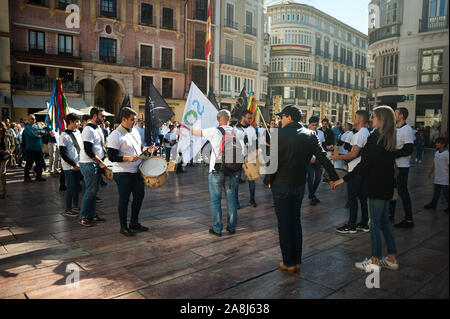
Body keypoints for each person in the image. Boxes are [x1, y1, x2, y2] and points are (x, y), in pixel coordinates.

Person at [267, 105, 339, 273]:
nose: (280, 120)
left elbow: (272, 163)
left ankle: (288, 262)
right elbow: (322, 157)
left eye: (282, 117)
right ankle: (297, 261)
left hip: (281, 185)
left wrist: (267, 180)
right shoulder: (310, 134)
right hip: (299, 184)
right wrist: (335, 178)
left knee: (284, 224)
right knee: (296, 222)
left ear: (289, 117)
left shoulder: (278, 134)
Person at [332, 106, 399, 272]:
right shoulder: (389, 137)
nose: (372, 120)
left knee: (374, 223)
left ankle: (375, 260)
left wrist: (343, 179)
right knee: (383, 222)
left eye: (375, 117)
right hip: (386, 186)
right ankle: (391, 258)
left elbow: (364, 165)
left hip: (375, 185)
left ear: (381, 120)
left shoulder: (376, 137)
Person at [192, 109, 245, 237]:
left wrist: (193, 124)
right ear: (229, 119)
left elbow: (194, 132)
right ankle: (231, 227)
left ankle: (217, 229)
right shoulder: (237, 132)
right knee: (231, 199)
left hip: (217, 166)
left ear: (218, 119)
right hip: (232, 168)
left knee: (216, 200)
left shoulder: (214, 131)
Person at [108, 107, 156, 237]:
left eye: (135, 119)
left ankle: (134, 222)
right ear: (124, 119)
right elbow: (111, 156)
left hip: (136, 171)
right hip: (123, 173)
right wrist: (127, 158)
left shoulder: (134, 131)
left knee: (139, 197)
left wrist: (147, 149)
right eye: (132, 119)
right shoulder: (115, 135)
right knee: (124, 200)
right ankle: (123, 227)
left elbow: (138, 148)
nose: (135, 122)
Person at [331, 110, 371, 234]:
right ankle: (364, 223)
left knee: (352, 198)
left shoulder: (359, 134)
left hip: (356, 170)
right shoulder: (365, 132)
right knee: (362, 197)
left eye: (355, 117)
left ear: (360, 118)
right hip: (361, 170)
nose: (353, 119)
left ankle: (351, 224)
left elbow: (354, 153)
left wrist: (337, 157)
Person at [78, 107, 107, 227]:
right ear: (94, 116)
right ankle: (83, 216)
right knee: (90, 191)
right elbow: (88, 150)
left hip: (96, 163)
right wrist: (100, 162)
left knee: (94, 191)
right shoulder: (88, 130)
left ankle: (92, 214)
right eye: (102, 116)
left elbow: (100, 146)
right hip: (89, 164)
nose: (104, 118)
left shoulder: (98, 128)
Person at [390, 108, 415, 228]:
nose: (394, 115)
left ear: (401, 116)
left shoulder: (407, 129)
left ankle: (409, 219)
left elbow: (409, 149)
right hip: (394, 166)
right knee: (393, 191)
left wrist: (393, 154)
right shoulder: (395, 129)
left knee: (403, 192)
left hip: (402, 167)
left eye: (395, 114)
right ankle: (391, 214)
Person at [59, 113, 83, 217]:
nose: (79, 123)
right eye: (77, 121)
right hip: (69, 167)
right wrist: (73, 165)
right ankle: (68, 209)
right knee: (71, 187)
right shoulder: (63, 135)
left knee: (77, 187)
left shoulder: (78, 132)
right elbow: (63, 153)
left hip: (79, 164)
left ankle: (75, 206)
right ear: (70, 122)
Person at [236, 110, 258, 208]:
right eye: (248, 118)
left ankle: (252, 200)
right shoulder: (235, 129)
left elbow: (254, 143)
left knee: (252, 180)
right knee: (236, 181)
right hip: (238, 157)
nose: (250, 120)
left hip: (250, 157)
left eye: (251, 118)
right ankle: (236, 202)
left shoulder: (251, 129)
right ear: (243, 117)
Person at [424, 137, 448, 213]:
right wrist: (430, 173)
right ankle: (433, 204)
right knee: (436, 192)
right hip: (438, 176)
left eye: (438, 143)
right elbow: (435, 163)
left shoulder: (447, 154)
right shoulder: (436, 153)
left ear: (443, 144)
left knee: (446, 194)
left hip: (445, 177)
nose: (436, 144)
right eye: (436, 142)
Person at [306, 116, 324, 206]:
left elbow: (322, 145)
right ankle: (312, 196)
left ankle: (311, 194)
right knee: (311, 178)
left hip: (318, 160)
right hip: (308, 160)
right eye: (313, 125)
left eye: (316, 125)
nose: (314, 127)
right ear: (309, 125)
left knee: (318, 178)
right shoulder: (305, 134)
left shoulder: (321, 133)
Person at [23, 115, 46, 183]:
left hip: (38, 148)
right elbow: (34, 135)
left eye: (35, 119)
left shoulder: (36, 126)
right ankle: (26, 177)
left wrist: (40, 132)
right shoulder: (27, 127)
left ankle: (39, 176)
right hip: (31, 148)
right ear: (28, 120)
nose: (34, 120)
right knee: (29, 163)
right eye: (32, 119)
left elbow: (45, 132)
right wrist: (40, 133)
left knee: (39, 163)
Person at [0, 122, 12, 199]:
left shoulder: (8, 136)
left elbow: (13, 145)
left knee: (2, 173)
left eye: (1, 127)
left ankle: (2, 192)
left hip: (5, 157)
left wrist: (9, 151)